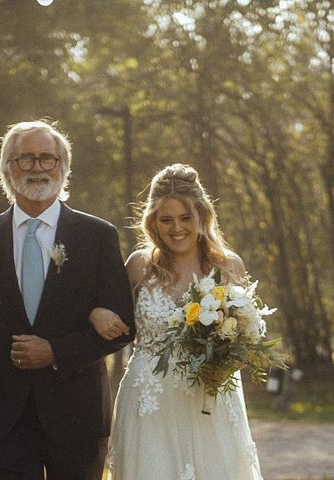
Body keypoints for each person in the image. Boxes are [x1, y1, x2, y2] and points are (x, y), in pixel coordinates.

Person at [0, 119, 135, 480]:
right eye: (25, 158)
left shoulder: (97, 236)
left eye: (47, 158)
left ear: (63, 167)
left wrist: (57, 351)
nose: (37, 167)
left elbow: (124, 328)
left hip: (78, 417)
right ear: (6, 169)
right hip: (3, 419)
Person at [89, 163, 264, 479]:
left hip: (210, 403)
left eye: (186, 218)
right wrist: (94, 312)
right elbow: (110, 318)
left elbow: (246, 345)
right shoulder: (139, 266)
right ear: (153, 221)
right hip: (150, 405)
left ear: (202, 216)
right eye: (166, 219)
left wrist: (226, 357)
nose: (177, 228)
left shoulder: (227, 266)